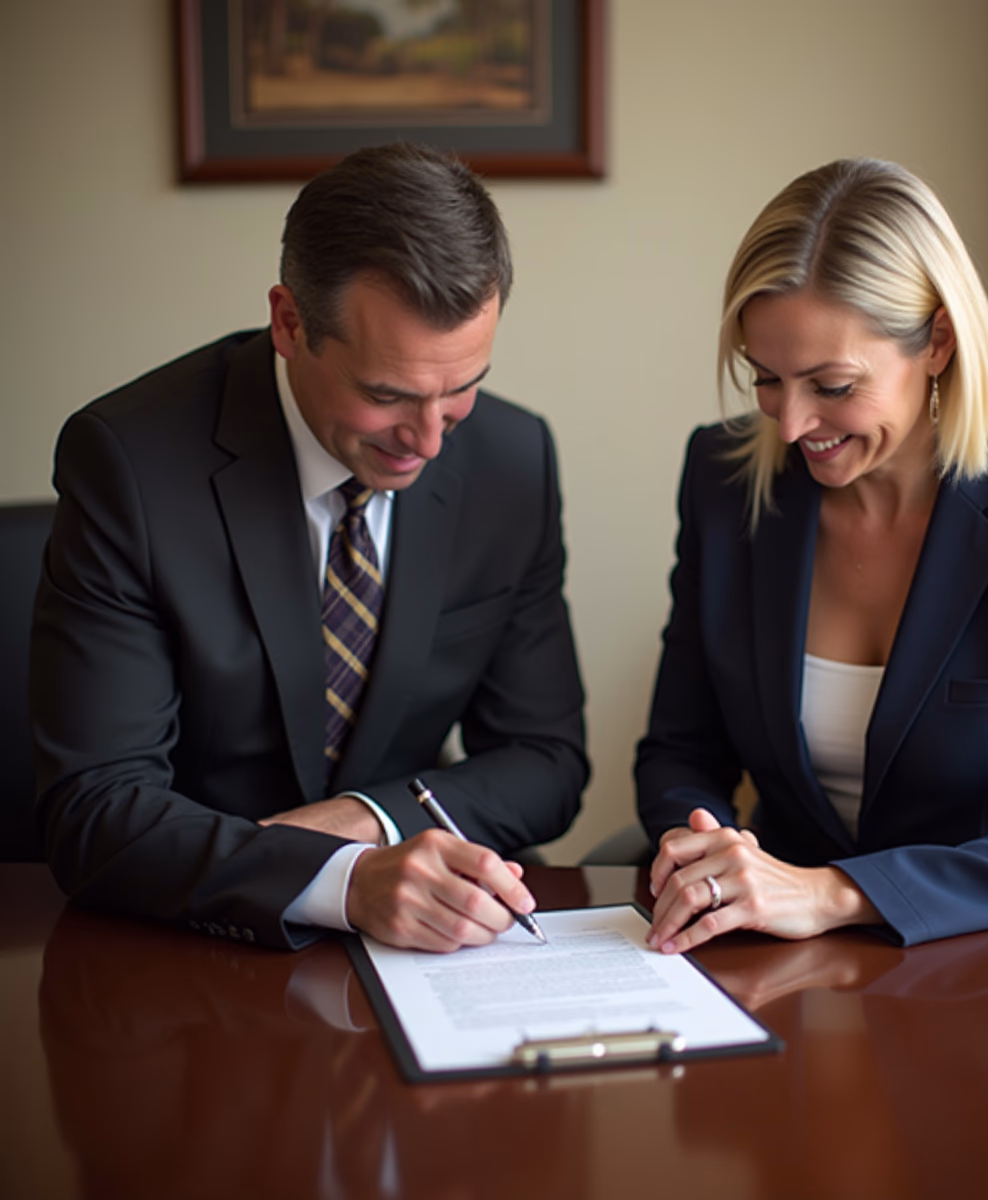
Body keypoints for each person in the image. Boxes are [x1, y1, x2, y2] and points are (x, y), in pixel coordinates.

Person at [32, 141, 588, 952]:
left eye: (462, 386)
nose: (430, 440)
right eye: (386, 394)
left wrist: (367, 822)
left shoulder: (512, 460)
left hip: (435, 953)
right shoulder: (129, 463)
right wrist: (342, 879)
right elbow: (94, 807)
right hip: (189, 948)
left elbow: (546, 760)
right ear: (290, 325)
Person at [636, 157, 988, 952]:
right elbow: (680, 749)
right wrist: (705, 853)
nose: (790, 426)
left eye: (833, 385)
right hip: (774, 958)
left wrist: (831, 894)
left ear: (939, 341)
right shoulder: (723, 480)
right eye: (766, 379)